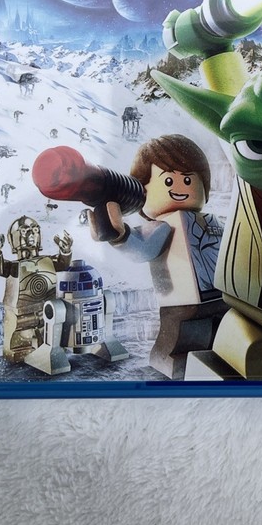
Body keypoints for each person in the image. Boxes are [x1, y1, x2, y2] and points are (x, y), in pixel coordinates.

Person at [90, 134, 226, 380]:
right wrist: (120, 236)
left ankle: (216, 360)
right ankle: (171, 366)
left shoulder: (214, 222)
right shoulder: (163, 226)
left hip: (220, 296)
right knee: (178, 342)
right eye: (168, 181)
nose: (179, 187)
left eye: (188, 179)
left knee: (220, 334)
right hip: (182, 302)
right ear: (141, 193)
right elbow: (141, 247)